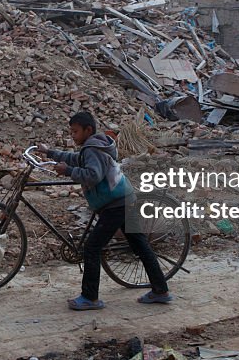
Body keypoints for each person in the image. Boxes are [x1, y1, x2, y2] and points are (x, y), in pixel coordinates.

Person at [39, 111, 172, 310]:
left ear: (88, 130)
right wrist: (50, 153)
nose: (73, 136)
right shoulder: (95, 146)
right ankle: (161, 290)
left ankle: (90, 297)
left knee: (92, 247)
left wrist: (68, 171)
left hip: (114, 205)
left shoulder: (92, 149)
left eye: (75, 132)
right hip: (125, 198)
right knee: (140, 245)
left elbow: (92, 175)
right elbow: (77, 158)